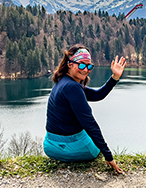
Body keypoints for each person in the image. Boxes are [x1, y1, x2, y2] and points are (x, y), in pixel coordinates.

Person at [43, 44, 126, 174]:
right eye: (81, 65)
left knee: (88, 135)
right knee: (94, 147)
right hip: (68, 148)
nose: (85, 69)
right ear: (70, 64)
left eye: (89, 66)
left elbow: (98, 95)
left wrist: (115, 77)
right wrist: (108, 155)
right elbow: (89, 124)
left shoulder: (63, 81)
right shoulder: (72, 87)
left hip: (50, 146)